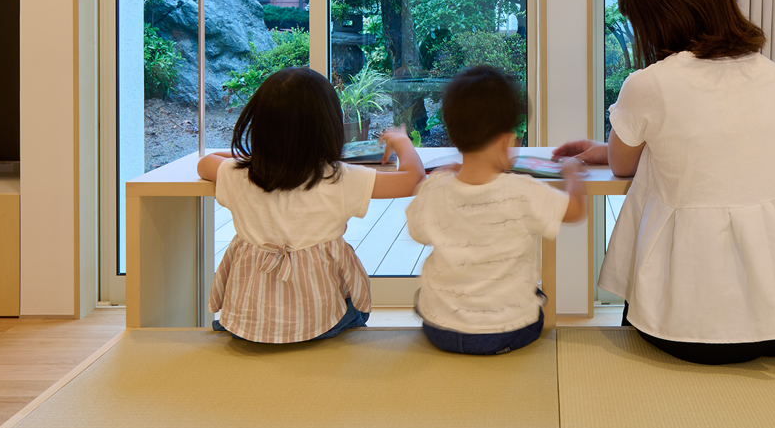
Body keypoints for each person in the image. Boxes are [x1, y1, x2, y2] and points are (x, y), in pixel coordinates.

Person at [555, 0, 775, 364]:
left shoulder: (651, 82)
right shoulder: (771, 74)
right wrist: (604, 147)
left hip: (688, 327)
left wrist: (608, 150)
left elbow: (622, 165)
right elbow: (714, 145)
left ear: (656, 17)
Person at [197, 66, 424, 344]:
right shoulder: (338, 178)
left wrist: (261, 156)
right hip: (320, 322)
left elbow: (206, 163)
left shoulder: (239, 175)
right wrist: (401, 141)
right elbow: (413, 179)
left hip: (247, 322)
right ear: (328, 126)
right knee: (355, 306)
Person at [406, 65, 586, 354]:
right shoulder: (522, 190)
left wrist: (442, 175)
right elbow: (575, 210)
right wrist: (572, 173)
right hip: (507, 331)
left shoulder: (435, 187)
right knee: (535, 299)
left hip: (440, 329)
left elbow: (417, 233)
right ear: (506, 141)